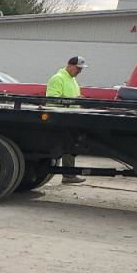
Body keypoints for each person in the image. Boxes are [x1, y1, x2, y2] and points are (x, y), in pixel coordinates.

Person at [47, 56, 88, 184]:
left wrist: (78, 99)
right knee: (68, 146)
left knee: (71, 146)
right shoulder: (57, 78)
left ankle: (69, 175)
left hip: (70, 117)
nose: (80, 71)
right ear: (70, 65)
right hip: (60, 117)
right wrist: (74, 100)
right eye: (78, 68)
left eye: (81, 69)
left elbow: (71, 98)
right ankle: (68, 175)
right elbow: (53, 99)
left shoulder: (72, 80)